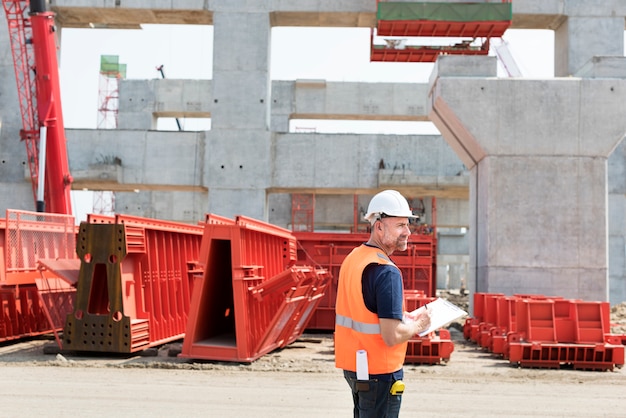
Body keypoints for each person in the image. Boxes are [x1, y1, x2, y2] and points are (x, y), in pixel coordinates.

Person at [335, 189, 431, 418]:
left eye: (407, 225)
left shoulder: (354, 258)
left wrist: (403, 317)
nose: (408, 232)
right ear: (379, 226)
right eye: (400, 225)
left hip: (356, 368)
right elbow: (391, 336)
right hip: (379, 372)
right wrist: (420, 325)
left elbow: (365, 311)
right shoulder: (386, 271)